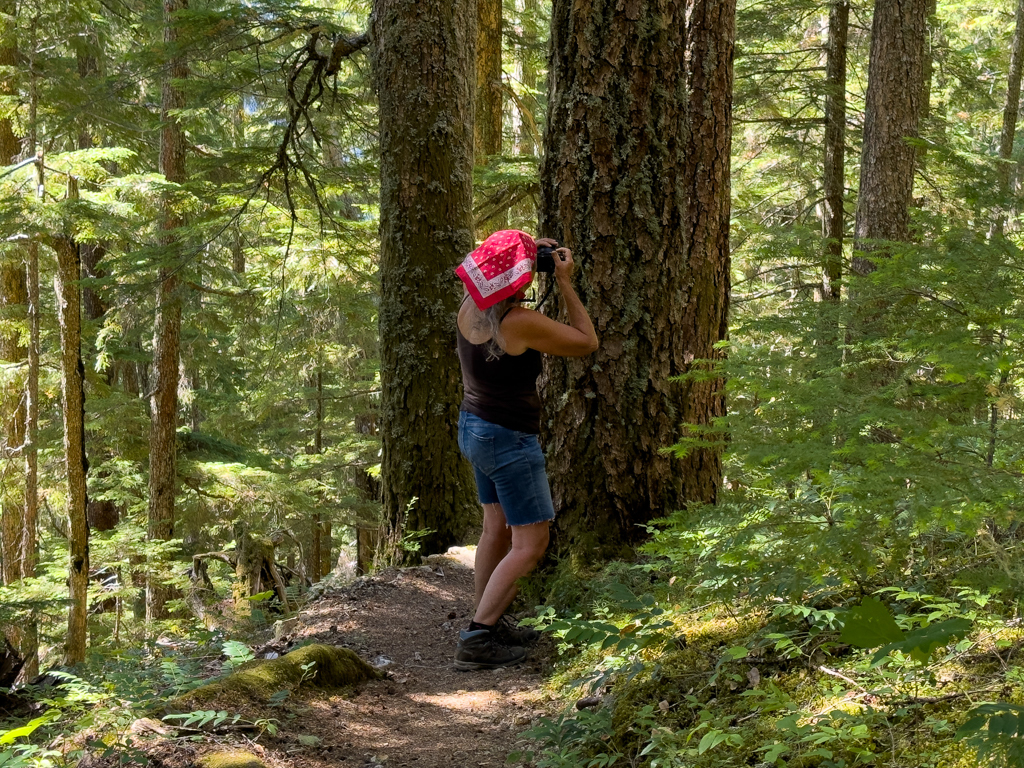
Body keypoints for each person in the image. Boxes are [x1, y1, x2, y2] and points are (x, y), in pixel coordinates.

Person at [453, 229, 598, 671]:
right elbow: (585, 342)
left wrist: (528, 245)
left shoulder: (470, 305)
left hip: (473, 426)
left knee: (494, 529)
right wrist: (566, 282)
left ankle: (487, 620)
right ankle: (478, 637)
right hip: (507, 438)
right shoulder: (517, 321)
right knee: (531, 543)